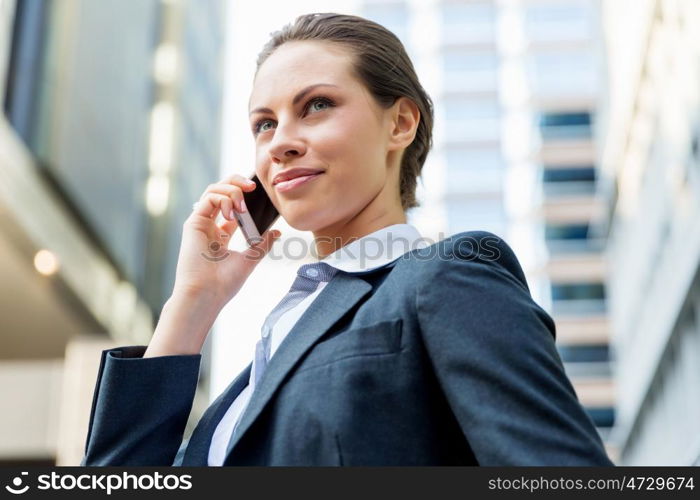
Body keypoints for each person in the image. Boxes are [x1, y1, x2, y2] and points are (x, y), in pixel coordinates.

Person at [80, 12, 614, 466]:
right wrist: (193, 304)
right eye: (264, 124)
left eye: (316, 105)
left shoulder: (449, 276)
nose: (281, 142)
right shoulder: (270, 348)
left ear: (400, 123)